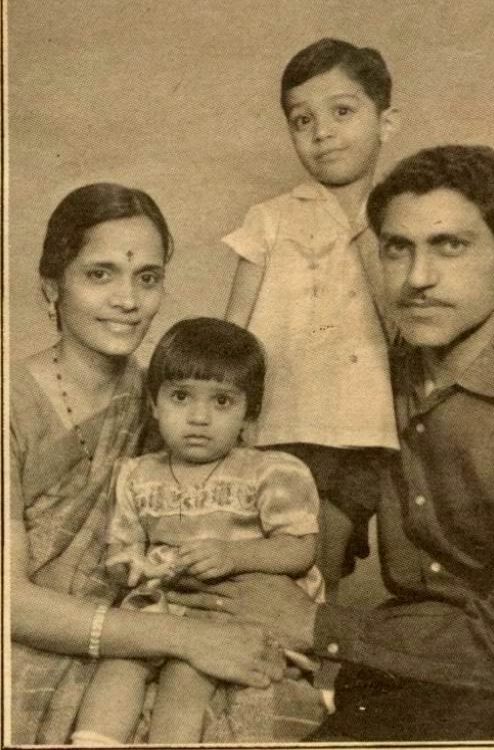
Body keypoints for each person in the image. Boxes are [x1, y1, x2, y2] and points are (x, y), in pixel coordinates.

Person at [173, 145, 494, 741]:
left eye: (449, 246)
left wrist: (318, 624)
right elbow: (322, 506)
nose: (418, 278)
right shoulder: (380, 372)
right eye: (397, 248)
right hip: (393, 673)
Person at [223, 38, 494, 598]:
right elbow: (231, 336)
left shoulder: (401, 218)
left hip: (369, 432)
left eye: (342, 111)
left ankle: (310, 674)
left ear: (387, 121)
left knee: (323, 572)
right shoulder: (272, 218)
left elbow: (453, 305)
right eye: (303, 120)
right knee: (276, 564)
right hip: (283, 422)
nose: (322, 132)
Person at [10, 185, 283, 746]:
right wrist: (177, 639)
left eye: (147, 278)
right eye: (100, 274)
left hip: (146, 633)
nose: (128, 300)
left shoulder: (172, 404)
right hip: (34, 637)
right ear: (50, 287)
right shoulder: (10, 401)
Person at [72, 317, 325, 744]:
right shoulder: (137, 474)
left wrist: (234, 555)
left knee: (187, 671)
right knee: (121, 659)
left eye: (222, 402)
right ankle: (94, 741)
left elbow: (300, 548)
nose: (199, 417)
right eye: (181, 396)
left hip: (235, 608)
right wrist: (130, 565)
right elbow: (124, 545)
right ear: (154, 404)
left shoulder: (272, 471)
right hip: (164, 604)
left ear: (250, 411)